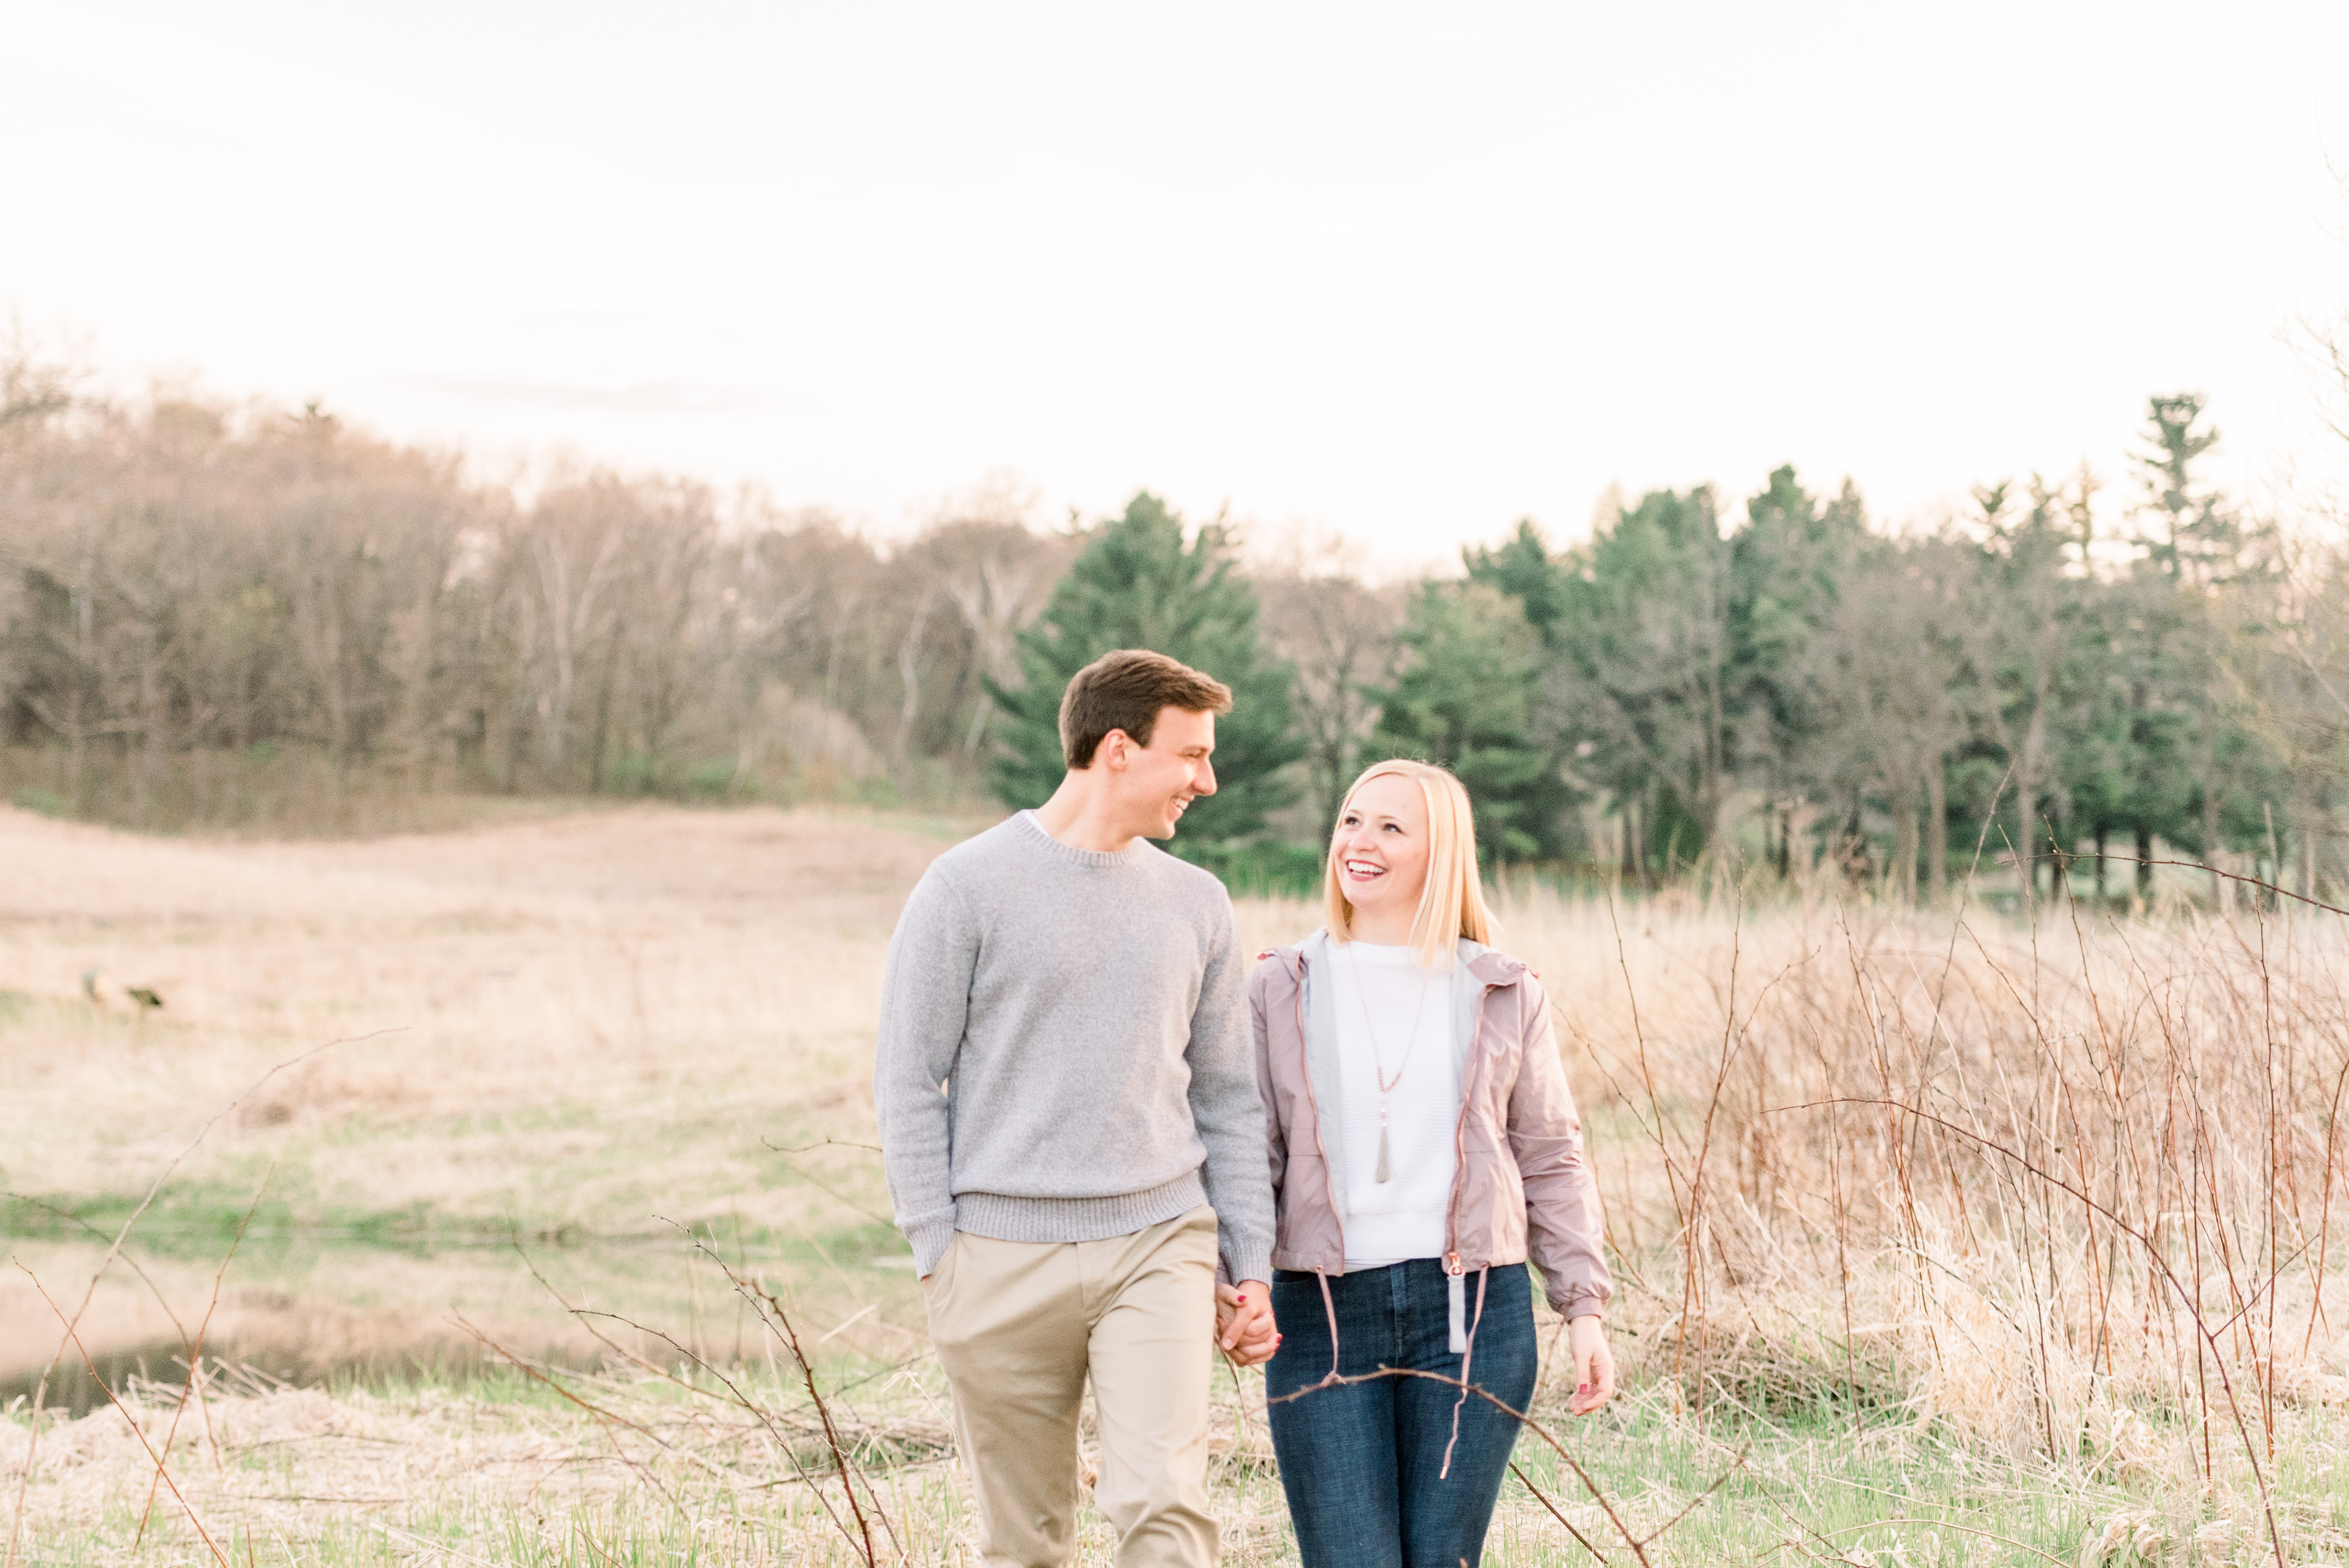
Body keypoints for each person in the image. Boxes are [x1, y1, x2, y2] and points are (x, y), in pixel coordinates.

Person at [875, 648, 1280, 1568]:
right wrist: (937, 1252)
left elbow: (1227, 1100)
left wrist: (1249, 1260)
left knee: (1165, 1509)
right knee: (1026, 1544)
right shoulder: (963, 888)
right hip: (997, 1263)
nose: (1207, 781)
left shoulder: (1199, 904)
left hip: (1157, 1241)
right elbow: (906, 1078)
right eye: (1192, 754)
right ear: (1118, 750)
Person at [1239, 758, 1614, 1568]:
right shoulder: (1278, 986)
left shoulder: (1502, 989)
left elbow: (1551, 1154)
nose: (1358, 842)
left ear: (1439, 852)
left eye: (1389, 827)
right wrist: (1240, 1280)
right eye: (1350, 820)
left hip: (1475, 1316)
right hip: (1321, 1316)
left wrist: (1582, 1307)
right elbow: (1249, 1155)